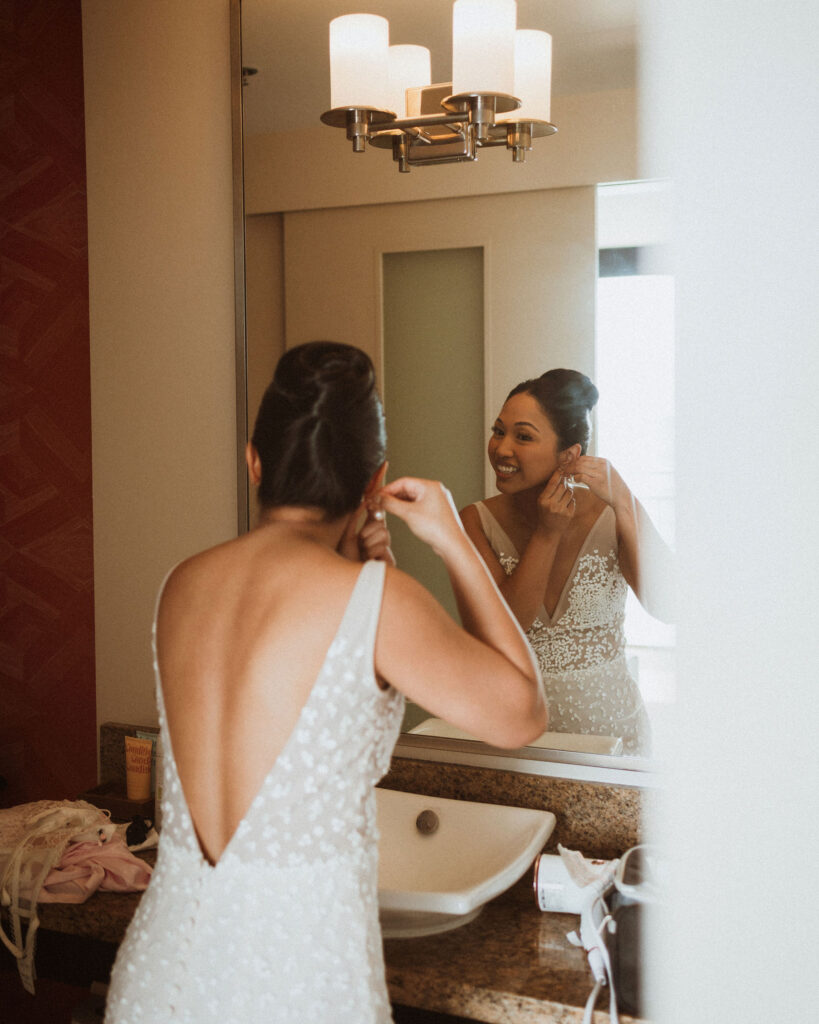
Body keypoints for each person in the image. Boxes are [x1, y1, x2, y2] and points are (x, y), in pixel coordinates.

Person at [104, 341, 544, 1024]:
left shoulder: (182, 584)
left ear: (254, 459)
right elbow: (520, 717)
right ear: (376, 481)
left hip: (159, 977)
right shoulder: (378, 602)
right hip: (300, 981)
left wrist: (363, 576)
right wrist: (452, 540)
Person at [460, 369, 674, 756]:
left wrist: (625, 502)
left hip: (614, 740)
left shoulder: (612, 514)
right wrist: (547, 534)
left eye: (523, 436)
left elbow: (670, 606)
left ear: (569, 455)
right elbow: (502, 633)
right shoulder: (475, 521)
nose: (501, 448)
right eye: (499, 431)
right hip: (517, 740)